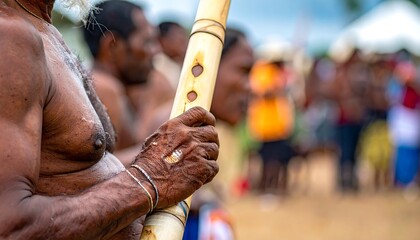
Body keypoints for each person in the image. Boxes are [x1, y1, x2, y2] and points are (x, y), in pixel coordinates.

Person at [0, 0, 220, 239]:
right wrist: (150, 177)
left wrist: (170, 160)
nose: (154, 50)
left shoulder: (42, 30)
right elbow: (9, 227)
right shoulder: (10, 37)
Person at [148, 28, 254, 240]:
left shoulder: (198, 132)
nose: (250, 88)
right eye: (243, 71)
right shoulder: (170, 129)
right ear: (211, 66)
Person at [154, 20, 189, 91]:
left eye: (183, 35)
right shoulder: (157, 66)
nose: (183, 40)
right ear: (162, 40)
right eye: (176, 35)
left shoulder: (180, 64)